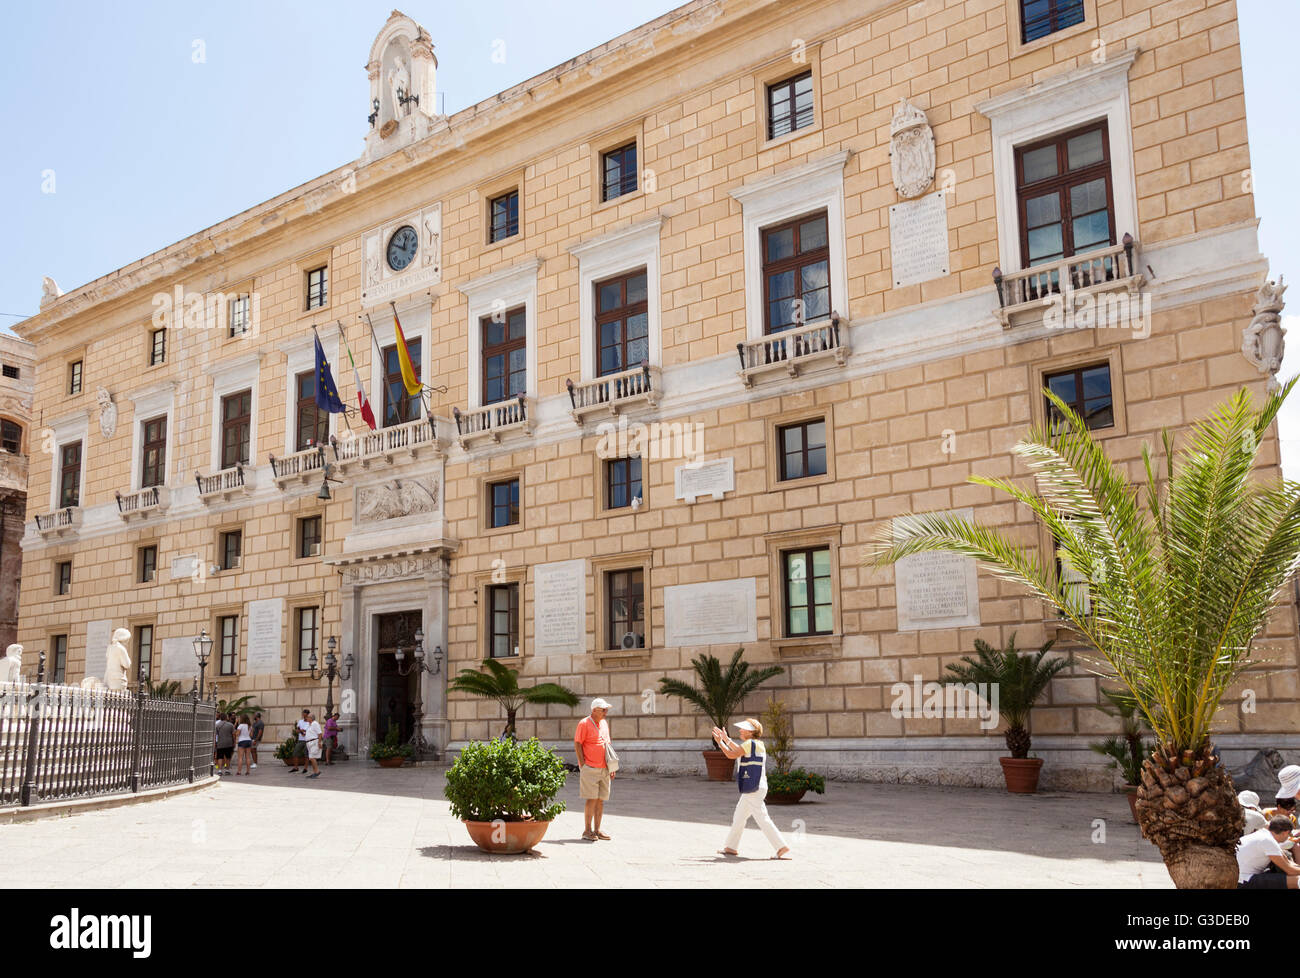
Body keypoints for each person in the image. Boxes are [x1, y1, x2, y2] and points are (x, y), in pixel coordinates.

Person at [714, 718, 790, 860]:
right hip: (757, 786)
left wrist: (720, 742)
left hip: (753, 788)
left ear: (751, 732)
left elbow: (732, 754)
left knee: (762, 818)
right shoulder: (757, 744)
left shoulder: (749, 744)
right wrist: (726, 739)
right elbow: (739, 750)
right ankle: (731, 847)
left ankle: (781, 847)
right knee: (739, 816)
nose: (740, 730)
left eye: (743, 729)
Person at [574, 698, 614, 841]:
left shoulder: (603, 723)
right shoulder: (584, 723)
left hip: (604, 768)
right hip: (590, 767)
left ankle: (597, 830)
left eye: (606, 709)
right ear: (594, 710)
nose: (606, 712)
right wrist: (582, 765)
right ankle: (587, 830)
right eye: (603, 709)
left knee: (600, 800)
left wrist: (611, 766)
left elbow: (607, 745)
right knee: (591, 799)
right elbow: (578, 744)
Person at [1238, 816, 1300, 889]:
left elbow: (1287, 862)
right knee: (1297, 880)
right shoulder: (1268, 841)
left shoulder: (1264, 835)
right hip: (1244, 880)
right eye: (1289, 834)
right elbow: (1290, 870)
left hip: (1241, 877)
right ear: (1285, 833)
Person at [289, 708, 310, 773]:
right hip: (300, 739)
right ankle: (296, 767)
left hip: (307, 740)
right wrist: (300, 731)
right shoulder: (300, 721)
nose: (304, 715)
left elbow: (309, 730)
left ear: (308, 714)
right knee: (295, 752)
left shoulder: (310, 722)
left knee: (306, 754)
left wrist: (302, 731)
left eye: (305, 713)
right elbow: (298, 729)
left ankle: (305, 768)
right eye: (303, 713)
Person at [303, 712, 323, 778]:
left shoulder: (315, 723)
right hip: (309, 743)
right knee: (311, 758)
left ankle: (317, 771)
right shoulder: (309, 724)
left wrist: (319, 742)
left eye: (308, 717)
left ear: (311, 718)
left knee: (312, 758)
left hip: (314, 742)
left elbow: (320, 733)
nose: (306, 718)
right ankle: (315, 772)